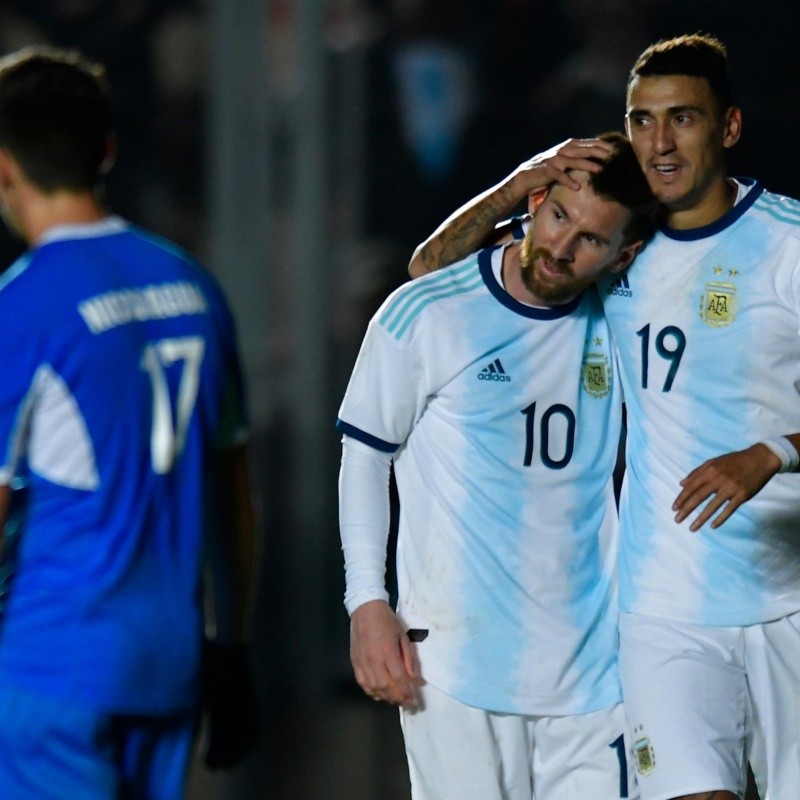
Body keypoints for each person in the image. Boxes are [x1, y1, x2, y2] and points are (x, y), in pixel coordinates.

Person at [408, 32, 800, 800]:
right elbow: (432, 275)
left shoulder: (787, 243)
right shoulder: (613, 244)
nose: (658, 141)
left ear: (728, 128)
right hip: (665, 609)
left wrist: (774, 454)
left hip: (790, 590)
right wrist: (521, 181)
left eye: (682, 119)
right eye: (640, 120)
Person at [337, 131, 657, 799]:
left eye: (592, 239)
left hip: (595, 673)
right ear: (535, 201)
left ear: (623, 254)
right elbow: (366, 458)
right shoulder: (428, 313)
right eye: (559, 217)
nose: (564, 248)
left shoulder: (627, 316)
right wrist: (367, 602)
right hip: (456, 668)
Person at [0, 46, 258, 799]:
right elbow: (230, 486)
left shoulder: (21, 306)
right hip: (167, 663)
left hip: (54, 665)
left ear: (5, 166)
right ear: (106, 150)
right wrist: (231, 649)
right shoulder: (192, 285)